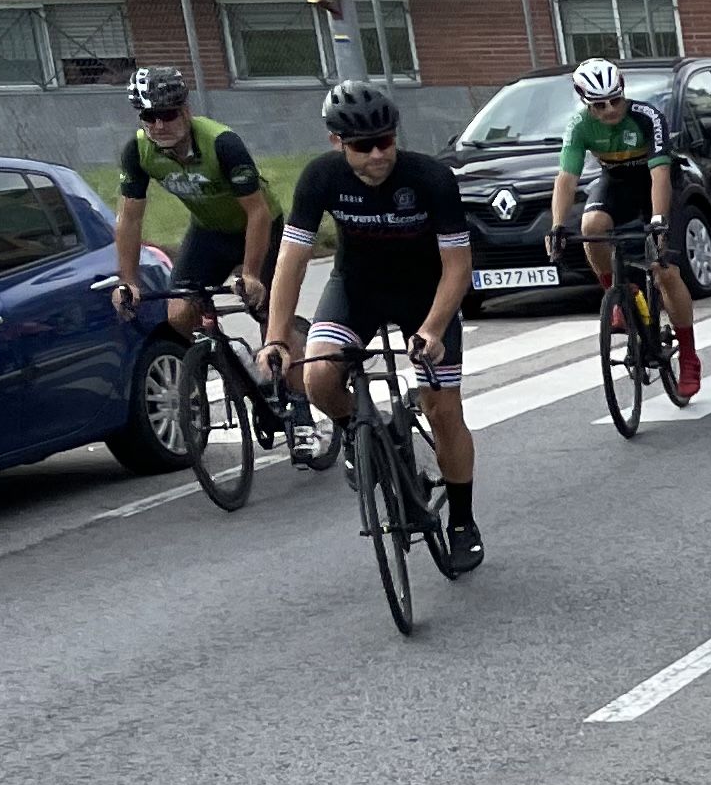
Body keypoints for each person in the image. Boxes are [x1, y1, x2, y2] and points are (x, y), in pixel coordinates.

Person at [258, 80, 482, 572]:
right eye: (364, 146)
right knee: (316, 376)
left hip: (427, 294)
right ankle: (368, 436)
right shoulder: (320, 178)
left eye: (387, 141)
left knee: (443, 410)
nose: (379, 154)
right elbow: (292, 261)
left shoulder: (430, 178)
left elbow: (458, 266)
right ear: (337, 141)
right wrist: (275, 336)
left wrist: (432, 329)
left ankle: (462, 521)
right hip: (357, 287)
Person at [550, 57, 699, 405]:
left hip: (656, 182)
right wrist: (557, 224)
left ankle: (689, 356)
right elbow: (567, 178)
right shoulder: (579, 126)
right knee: (591, 226)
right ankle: (618, 294)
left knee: (665, 270)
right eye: (599, 105)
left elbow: (660, 175)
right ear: (585, 101)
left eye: (615, 100)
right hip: (616, 181)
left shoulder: (647, 117)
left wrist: (659, 221)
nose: (610, 109)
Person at [109, 63, 276, 341]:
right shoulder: (138, 151)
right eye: (150, 117)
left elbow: (257, 212)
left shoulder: (223, 143)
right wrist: (128, 280)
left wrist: (251, 273)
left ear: (185, 110)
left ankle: (282, 378)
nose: (159, 125)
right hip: (208, 232)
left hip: (259, 228)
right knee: (179, 314)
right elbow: (130, 218)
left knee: (267, 314)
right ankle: (222, 354)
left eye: (168, 114)